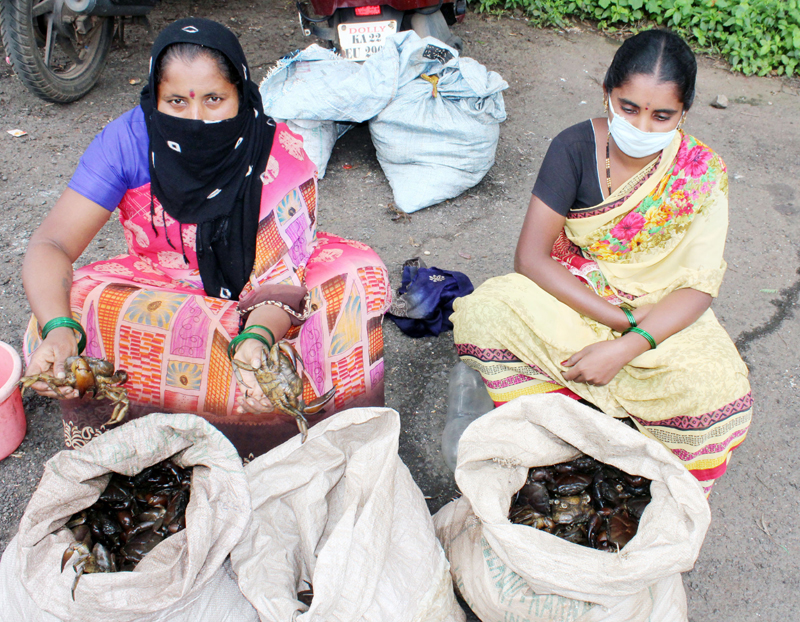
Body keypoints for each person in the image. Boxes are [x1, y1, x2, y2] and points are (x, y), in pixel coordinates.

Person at [21, 18, 390, 459]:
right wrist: (60, 330)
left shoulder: (276, 152)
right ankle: (138, 436)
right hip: (165, 288)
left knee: (356, 279)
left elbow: (280, 284)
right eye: (176, 101)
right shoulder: (130, 141)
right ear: (155, 98)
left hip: (269, 292)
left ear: (241, 94)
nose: (195, 119)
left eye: (214, 99)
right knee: (69, 304)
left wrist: (256, 339)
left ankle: (293, 442)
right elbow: (52, 245)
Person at [451, 29, 751, 495]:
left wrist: (627, 346)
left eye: (662, 116)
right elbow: (531, 257)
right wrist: (619, 320)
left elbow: (698, 286)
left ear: (684, 113)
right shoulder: (573, 147)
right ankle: (566, 434)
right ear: (607, 93)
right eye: (628, 108)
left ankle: (635, 457)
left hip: (661, 312)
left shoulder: (701, 172)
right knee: (485, 312)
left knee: (713, 387)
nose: (642, 126)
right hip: (582, 292)